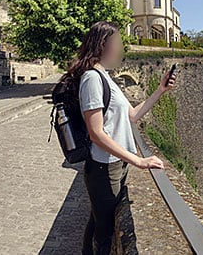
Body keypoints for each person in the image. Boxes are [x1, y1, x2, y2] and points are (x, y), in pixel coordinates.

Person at [66, 21, 176, 254]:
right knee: (104, 234)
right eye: (117, 42)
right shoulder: (92, 79)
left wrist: (160, 90)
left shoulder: (105, 77)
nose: (121, 48)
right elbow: (96, 133)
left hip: (116, 165)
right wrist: (139, 161)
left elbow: (133, 115)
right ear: (104, 44)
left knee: (99, 222)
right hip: (104, 168)